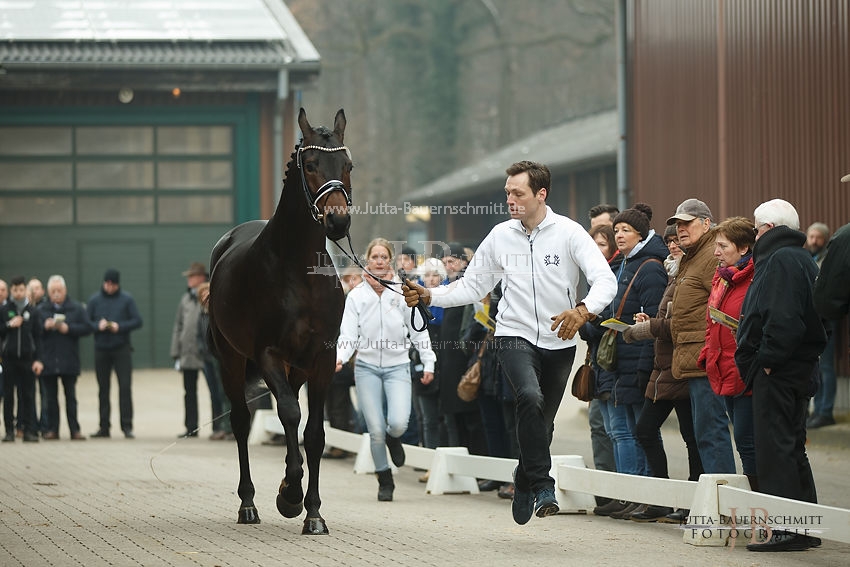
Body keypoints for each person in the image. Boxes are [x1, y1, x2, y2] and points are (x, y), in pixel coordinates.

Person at [402, 161, 618, 524]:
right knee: (528, 397)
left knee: (543, 422)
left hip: (559, 339)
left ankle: (523, 475)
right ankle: (542, 484)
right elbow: (473, 286)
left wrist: (583, 311)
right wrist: (430, 296)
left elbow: (605, 281)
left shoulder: (569, 233)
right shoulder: (500, 235)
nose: (510, 199)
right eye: (507, 193)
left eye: (518, 193)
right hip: (512, 334)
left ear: (540, 194)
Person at [735, 199, 825, 552]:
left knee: (776, 448)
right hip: (796, 367)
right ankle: (806, 526)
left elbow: (783, 317)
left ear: (768, 229)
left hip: (780, 369)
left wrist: (768, 360)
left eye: (756, 230)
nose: (755, 237)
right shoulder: (801, 259)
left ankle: (788, 529)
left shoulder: (781, 260)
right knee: (790, 446)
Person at [582, 204, 668, 521]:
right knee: (621, 432)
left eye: (625, 231)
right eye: (616, 230)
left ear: (640, 234)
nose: (619, 235)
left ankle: (643, 494)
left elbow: (654, 319)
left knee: (638, 431)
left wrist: (646, 366)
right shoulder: (622, 266)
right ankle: (628, 494)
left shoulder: (649, 267)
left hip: (637, 361)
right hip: (617, 361)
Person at [336, 238, 436, 502]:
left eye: (383, 257)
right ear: (367, 260)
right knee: (375, 429)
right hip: (366, 368)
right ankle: (384, 478)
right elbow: (348, 333)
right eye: (374, 257)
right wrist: (341, 357)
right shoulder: (356, 295)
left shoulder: (402, 292)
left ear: (389, 260)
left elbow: (418, 329)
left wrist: (429, 361)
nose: (379, 261)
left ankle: (395, 440)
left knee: (399, 423)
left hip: (398, 366)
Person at [625, 225, 703, 523]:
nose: (673, 246)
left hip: (683, 367)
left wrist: (649, 327)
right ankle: (663, 498)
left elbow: (681, 324)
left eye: (678, 241)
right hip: (663, 366)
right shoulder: (673, 273)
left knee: (692, 437)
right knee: (645, 429)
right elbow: (668, 320)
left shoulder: (687, 273)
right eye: (669, 241)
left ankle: (693, 501)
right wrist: (651, 321)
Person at [666, 199, 736, 475]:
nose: (680, 230)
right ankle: (716, 498)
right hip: (694, 357)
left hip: (707, 356)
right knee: (704, 431)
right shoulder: (693, 255)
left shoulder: (710, 256)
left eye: (687, 223)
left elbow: (721, 302)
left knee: (711, 430)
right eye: (677, 225)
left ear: (706, 223)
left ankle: (723, 499)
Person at [697, 217, 757, 489]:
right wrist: (709, 352)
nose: (716, 252)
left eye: (723, 246)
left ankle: (760, 508)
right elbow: (712, 321)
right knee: (742, 442)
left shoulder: (754, 279)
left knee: (748, 442)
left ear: (743, 248)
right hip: (723, 369)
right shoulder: (722, 279)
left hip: (745, 372)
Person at [86, 269, 143, 439]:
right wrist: (98, 326)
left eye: (113, 284)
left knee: (125, 387)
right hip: (101, 349)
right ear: (104, 283)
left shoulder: (127, 299)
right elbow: (86, 322)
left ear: (117, 284)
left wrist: (120, 326)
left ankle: (127, 426)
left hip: (121, 349)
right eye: (107, 283)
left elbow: (137, 320)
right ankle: (104, 427)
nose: (109, 287)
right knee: (103, 389)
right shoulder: (94, 300)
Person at [171, 262, 225, 439]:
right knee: (189, 393)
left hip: (206, 354)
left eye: (192, 276)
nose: (189, 279)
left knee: (215, 391)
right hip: (188, 354)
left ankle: (219, 426)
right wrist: (176, 352)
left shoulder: (210, 295)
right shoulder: (185, 299)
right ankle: (190, 428)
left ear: (201, 277)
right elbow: (178, 326)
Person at [35, 275, 92, 440]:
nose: (57, 294)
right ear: (48, 292)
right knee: (50, 398)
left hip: (69, 360)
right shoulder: (41, 310)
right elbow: (33, 332)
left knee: (71, 397)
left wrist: (69, 329)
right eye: (53, 291)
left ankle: (75, 430)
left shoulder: (76, 308)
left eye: (59, 290)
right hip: (49, 360)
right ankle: (53, 430)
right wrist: (44, 327)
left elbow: (88, 327)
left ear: (65, 290)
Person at [584, 222, 618, 499]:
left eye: (602, 244)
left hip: (615, 362)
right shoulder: (590, 279)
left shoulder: (611, 279)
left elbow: (604, 324)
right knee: (599, 427)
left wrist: (584, 318)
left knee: (617, 430)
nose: (596, 250)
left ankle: (616, 492)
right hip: (598, 361)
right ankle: (604, 492)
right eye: (592, 244)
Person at [0, 276, 43, 443]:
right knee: (9, 397)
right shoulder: (4, 310)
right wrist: (10, 325)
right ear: (11, 291)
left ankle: (28, 431)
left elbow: (38, 338)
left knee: (27, 396)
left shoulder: (33, 311)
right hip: (9, 360)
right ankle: (9, 431)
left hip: (27, 360)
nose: (18, 293)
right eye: (15, 290)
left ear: (25, 290)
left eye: (21, 290)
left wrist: (38, 359)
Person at [805, 222, 837, 429]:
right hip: (809, 319)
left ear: (825, 239)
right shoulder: (807, 258)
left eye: (818, 237)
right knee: (813, 366)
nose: (814, 241)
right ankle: (815, 410)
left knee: (826, 366)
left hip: (826, 317)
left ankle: (825, 411)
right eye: (811, 236)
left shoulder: (829, 259)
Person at [196, 281, 233, 441]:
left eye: (208, 293)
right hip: (207, 359)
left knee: (225, 393)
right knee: (214, 394)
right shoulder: (202, 315)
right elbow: (199, 337)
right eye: (203, 294)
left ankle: (228, 428)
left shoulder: (220, 313)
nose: (206, 297)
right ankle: (217, 426)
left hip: (220, 358)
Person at [27, 277, 49, 436]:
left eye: (38, 288)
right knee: (26, 394)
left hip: (43, 357)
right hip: (23, 357)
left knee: (45, 393)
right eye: (32, 288)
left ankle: (45, 425)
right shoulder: (21, 309)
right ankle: (28, 424)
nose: (35, 291)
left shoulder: (45, 309)